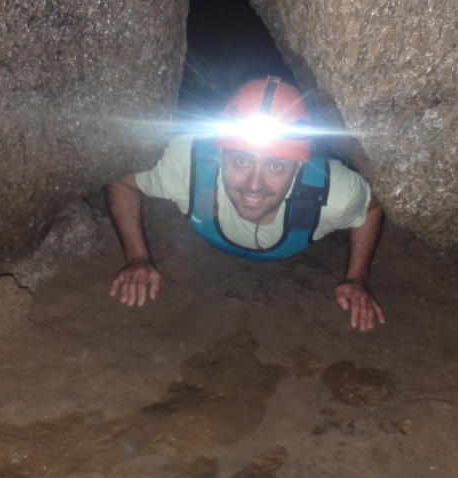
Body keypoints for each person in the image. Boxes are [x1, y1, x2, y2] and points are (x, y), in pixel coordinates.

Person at [108, 77, 386, 331]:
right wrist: (137, 258)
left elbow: (373, 207)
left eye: (276, 166)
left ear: (298, 168)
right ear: (220, 152)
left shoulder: (328, 190)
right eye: (241, 160)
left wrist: (357, 278)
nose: (254, 184)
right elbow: (119, 177)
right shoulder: (188, 164)